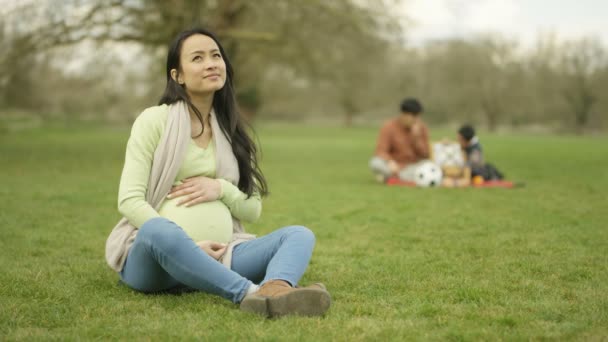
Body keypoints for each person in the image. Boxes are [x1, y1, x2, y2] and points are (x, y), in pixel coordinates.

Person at [104, 28, 330, 318]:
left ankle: (277, 290)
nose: (211, 63)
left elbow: (252, 210)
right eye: (197, 58)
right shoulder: (154, 121)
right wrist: (188, 248)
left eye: (216, 55)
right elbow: (130, 201)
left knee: (299, 234)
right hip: (155, 262)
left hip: (223, 255)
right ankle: (249, 293)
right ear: (178, 76)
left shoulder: (231, 130)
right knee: (157, 229)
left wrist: (221, 189)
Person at [369, 98, 430, 182]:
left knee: (428, 165)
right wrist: (390, 161)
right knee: (375, 163)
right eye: (413, 116)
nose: (416, 120)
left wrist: (417, 139)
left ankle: (391, 178)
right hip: (393, 165)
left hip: (412, 166)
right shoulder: (389, 126)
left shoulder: (421, 128)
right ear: (404, 114)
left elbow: (425, 155)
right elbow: (381, 151)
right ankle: (402, 177)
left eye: (417, 117)